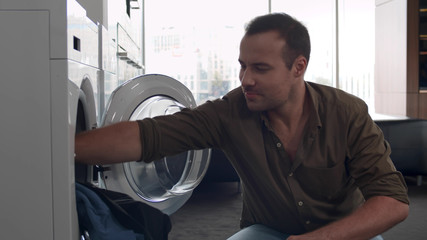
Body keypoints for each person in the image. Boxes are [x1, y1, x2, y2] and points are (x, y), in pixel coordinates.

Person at [76, 13, 409, 240]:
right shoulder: (231, 111)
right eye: (243, 66)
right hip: (267, 231)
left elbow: (392, 202)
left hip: (343, 233)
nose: (246, 79)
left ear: (298, 67)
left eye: (261, 68)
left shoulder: (347, 113)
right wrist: (62, 149)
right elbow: (149, 136)